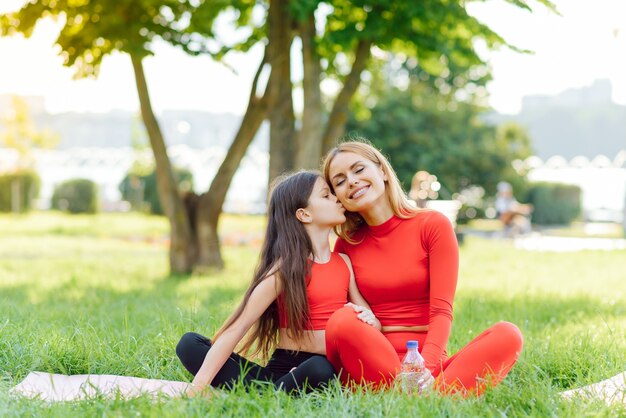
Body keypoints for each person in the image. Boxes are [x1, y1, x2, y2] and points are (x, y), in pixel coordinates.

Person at [321, 139, 524, 396]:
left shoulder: (432, 225)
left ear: (382, 171)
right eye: (339, 181)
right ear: (338, 197)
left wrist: (422, 370)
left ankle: (422, 398)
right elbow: (344, 318)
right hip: (375, 362)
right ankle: (432, 400)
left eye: (358, 169)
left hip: (429, 363)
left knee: (508, 335)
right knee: (342, 320)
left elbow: (441, 311)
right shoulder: (346, 244)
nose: (351, 181)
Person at [176, 170, 379, 396]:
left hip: (319, 370)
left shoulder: (344, 262)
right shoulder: (286, 269)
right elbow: (238, 326)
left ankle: (264, 398)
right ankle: (273, 395)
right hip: (279, 371)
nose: (336, 198)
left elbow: (373, 326)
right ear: (304, 215)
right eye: (326, 195)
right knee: (189, 344)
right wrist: (197, 387)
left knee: (321, 369)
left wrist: (369, 319)